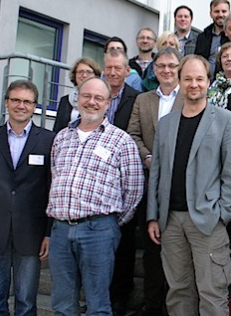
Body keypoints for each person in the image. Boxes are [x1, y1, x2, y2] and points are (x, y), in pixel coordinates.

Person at [146, 55, 231, 315]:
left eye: (199, 78)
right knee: (178, 292)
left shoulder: (225, 120)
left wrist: (223, 214)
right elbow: (156, 172)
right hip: (171, 222)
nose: (194, 84)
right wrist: (153, 216)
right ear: (179, 81)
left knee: (212, 293)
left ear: (208, 82)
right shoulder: (166, 124)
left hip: (208, 220)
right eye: (187, 78)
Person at [47, 77, 144, 315]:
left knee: (98, 305)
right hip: (60, 231)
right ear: (78, 99)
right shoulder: (61, 137)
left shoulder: (121, 140)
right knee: (62, 304)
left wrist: (109, 223)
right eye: (86, 96)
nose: (92, 102)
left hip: (98, 231)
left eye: (98, 98)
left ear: (108, 103)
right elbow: (54, 174)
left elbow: (133, 189)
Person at [0, 80, 56, 316]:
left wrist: (48, 232)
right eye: (15, 100)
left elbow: (51, 190)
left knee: (26, 302)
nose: (20, 106)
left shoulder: (49, 140)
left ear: (34, 106)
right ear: (6, 103)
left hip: (31, 232)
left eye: (27, 101)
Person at [127, 47, 184, 316]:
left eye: (172, 66)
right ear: (154, 69)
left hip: (181, 184)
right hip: (150, 182)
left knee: (177, 249)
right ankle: (152, 305)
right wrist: (147, 157)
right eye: (161, 66)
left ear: (179, 68)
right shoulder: (143, 100)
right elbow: (133, 135)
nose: (166, 70)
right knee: (152, 248)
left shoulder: (190, 96)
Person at [102, 49, 142, 314]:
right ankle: (100, 296)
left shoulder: (136, 98)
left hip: (125, 175)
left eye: (118, 68)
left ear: (127, 71)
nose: (114, 73)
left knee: (125, 243)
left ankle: (120, 297)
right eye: (109, 68)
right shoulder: (97, 95)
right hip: (99, 179)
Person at [54, 57, 101, 132]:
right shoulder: (65, 100)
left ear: (96, 75)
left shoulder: (100, 101)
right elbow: (57, 128)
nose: (84, 75)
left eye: (88, 72)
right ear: (75, 75)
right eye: (80, 72)